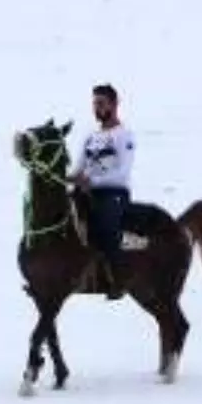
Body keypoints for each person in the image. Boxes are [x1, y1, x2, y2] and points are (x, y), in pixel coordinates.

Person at [69, 84, 135, 300]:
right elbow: (78, 168)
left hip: (112, 194)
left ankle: (117, 279)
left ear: (114, 105)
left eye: (101, 103)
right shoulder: (90, 136)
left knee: (105, 226)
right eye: (94, 104)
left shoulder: (124, 135)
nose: (96, 108)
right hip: (87, 191)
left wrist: (92, 181)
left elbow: (122, 172)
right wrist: (64, 176)